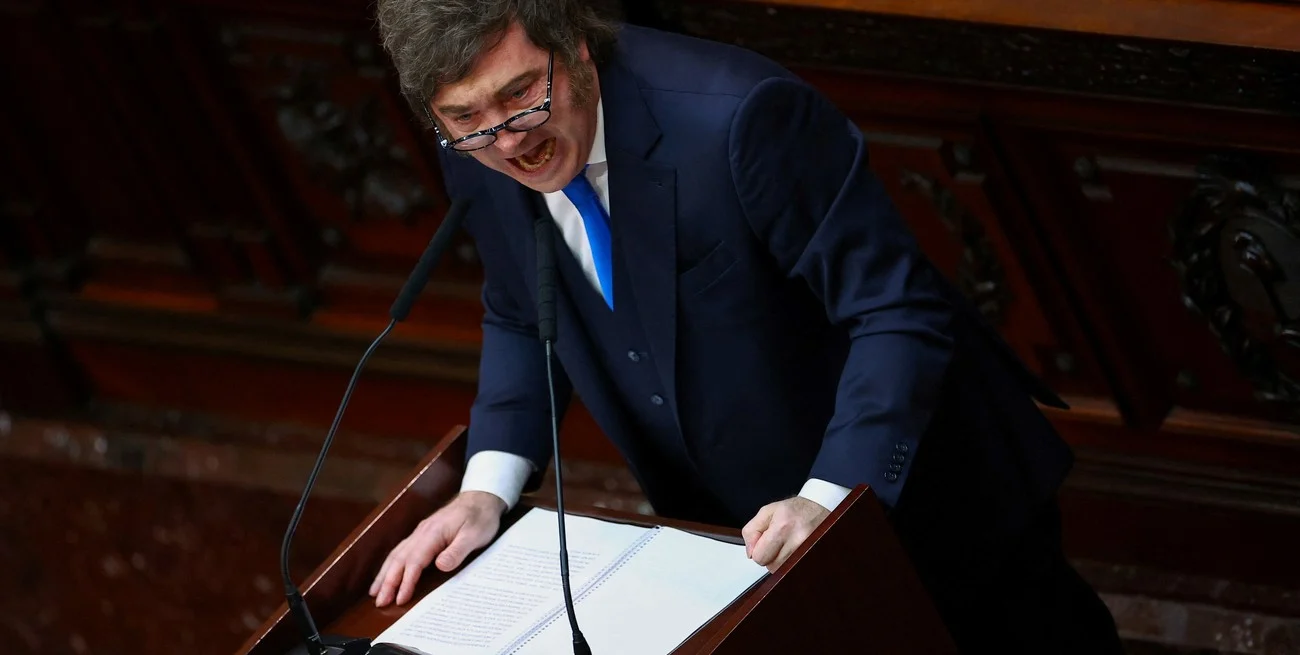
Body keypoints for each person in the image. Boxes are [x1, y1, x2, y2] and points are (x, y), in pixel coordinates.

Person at [367, 1, 1123, 651]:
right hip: (741, 547)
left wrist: (830, 500)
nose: (507, 140)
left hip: (933, 506)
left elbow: (895, 310)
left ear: (578, 47)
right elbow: (520, 308)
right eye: (467, 118)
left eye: (522, 94)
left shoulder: (738, 117)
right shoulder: (471, 147)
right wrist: (486, 489)